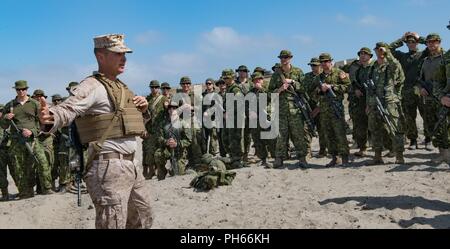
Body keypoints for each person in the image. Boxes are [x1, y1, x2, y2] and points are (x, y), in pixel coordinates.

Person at [39, 34, 152, 229]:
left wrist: (143, 109)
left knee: (143, 217)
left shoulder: (121, 87)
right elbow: (68, 109)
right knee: (113, 223)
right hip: (109, 167)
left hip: (131, 165)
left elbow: (132, 124)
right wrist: (51, 117)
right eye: (118, 54)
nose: (124, 58)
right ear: (101, 56)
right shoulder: (91, 85)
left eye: (125, 54)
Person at [1, 81, 54, 199]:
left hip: (33, 139)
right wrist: (5, 118)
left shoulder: (35, 104)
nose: (21, 91)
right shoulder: (10, 105)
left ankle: (46, 188)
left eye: (23, 89)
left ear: (26, 89)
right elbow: (3, 126)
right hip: (16, 141)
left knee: (42, 162)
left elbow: (43, 123)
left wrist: (32, 131)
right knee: (19, 167)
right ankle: (25, 192)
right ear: (15, 90)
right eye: (18, 89)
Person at [268, 50, 309, 168]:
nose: (283, 59)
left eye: (286, 57)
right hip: (281, 110)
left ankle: (302, 158)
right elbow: (269, 93)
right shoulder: (276, 74)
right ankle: (279, 158)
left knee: (298, 134)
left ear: (290, 58)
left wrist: (293, 82)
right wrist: (280, 89)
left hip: (295, 109)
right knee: (281, 135)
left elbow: (305, 88)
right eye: (282, 57)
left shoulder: (298, 72)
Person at [367, 42, 406, 165]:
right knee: (375, 129)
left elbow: (396, 67)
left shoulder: (391, 65)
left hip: (389, 102)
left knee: (394, 129)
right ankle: (377, 156)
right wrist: (368, 104)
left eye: (381, 50)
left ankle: (399, 155)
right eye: (377, 50)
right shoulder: (372, 67)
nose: (380, 52)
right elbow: (369, 88)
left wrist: (387, 52)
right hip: (374, 103)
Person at [390, 32, 429, 150]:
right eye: (409, 42)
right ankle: (413, 140)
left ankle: (428, 139)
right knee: (409, 117)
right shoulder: (403, 56)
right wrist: (401, 39)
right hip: (406, 90)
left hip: (420, 88)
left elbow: (430, 43)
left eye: (413, 42)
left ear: (417, 43)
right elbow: (389, 49)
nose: (411, 44)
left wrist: (419, 37)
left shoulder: (423, 54)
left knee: (425, 114)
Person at [312, 53, 351, 167]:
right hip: (324, 110)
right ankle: (335, 157)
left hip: (336, 108)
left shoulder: (339, 73)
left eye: (326, 61)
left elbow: (348, 87)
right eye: (322, 62)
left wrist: (332, 87)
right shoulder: (318, 78)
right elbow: (313, 93)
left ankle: (345, 158)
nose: (324, 64)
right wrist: (320, 91)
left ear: (330, 61)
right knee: (328, 135)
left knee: (340, 133)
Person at [418, 33, 449, 163]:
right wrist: (421, 88)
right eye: (429, 42)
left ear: (439, 42)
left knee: (446, 126)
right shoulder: (425, 61)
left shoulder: (446, 57)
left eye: (434, 42)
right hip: (430, 99)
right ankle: (443, 153)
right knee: (434, 126)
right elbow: (420, 79)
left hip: (445, 98)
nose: (431, 44)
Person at [154, 101, 191, 179]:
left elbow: (188, 140)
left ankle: (174, 169)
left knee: (178, 174)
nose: (172, 110)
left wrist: (177, 143)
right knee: (158, 154)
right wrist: (166, 142)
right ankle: (162, 170)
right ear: (168, 110)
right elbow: (159, 137)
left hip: (178, 150)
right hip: (166, 149)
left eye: (174, 108)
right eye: (170, 108)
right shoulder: (163, 123)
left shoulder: (183, 123)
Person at [348, 48, 373, 157]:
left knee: (376, 124)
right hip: (361, 100)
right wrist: (356, 90)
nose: (363, 56)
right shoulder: (358, 70)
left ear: (370, 56)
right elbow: (354, 83)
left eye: (365, 54)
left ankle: (384, 147)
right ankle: (363, 148)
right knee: (361, 125)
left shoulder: (374, 68)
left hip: (372, 99)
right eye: (361, 54)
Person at [249, 72, 276, 167]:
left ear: (262, 80)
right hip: (255, 120)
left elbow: (272, 97)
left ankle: (275, 158)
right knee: (257, 140)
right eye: (255, 80)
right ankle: (263, 158)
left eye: (259, 79)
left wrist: (261, 89)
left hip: (266, 117)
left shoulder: (267, 89)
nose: (257, 81)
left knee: (271, 138)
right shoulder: (251, 92)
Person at [32, 89, 57, 192]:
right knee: (37, 163)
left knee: (49, 161)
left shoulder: (49, 107)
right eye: (36, 96)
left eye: (40, 96)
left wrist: (46, 131)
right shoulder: (31, 107)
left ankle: (50, 185)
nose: (38, 98)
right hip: (35, 138)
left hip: (47, 138)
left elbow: (54, 120)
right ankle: (40, 187)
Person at [142, 80, 167, 180]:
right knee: (149, 151)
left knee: (160, 150)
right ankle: (151, 171)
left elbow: (168, 111)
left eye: (156, 87)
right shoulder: (147, 99)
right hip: (150, 129)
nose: (154, 89)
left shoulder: (163, 98)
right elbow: (142, 115)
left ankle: (160, 169)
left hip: (160, 129)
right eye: (152, 87)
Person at [304, 57, 327, 158]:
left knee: (322, 129)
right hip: (308, 106)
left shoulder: (324, 77)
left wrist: (318, 108)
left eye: (315, 65)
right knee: (306, 129)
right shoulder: (306, 77)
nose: (313, 67)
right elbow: (303, 91)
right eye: (311, 65)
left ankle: (323, 150)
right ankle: (307, 151)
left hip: (321, 106)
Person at [202, 78, 219, 156]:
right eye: (207, 84)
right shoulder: (202, 95)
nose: (208, 85)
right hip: (203, 121)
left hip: (213, 120)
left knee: (213, 139)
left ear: (213, 84)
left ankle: (213, 155)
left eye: (210, 84)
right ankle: (205, 156)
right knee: (204, 139)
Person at [0, 104, 12, 201]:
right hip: (1, 151)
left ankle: (23, 191)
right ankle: (5, 194)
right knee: (1, 173)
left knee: (16, 171)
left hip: (11, 149)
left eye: (1, 111)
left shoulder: (12, 122)